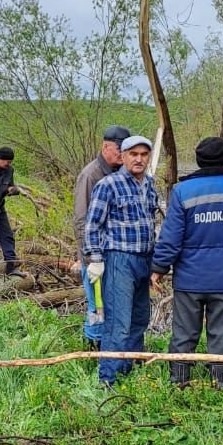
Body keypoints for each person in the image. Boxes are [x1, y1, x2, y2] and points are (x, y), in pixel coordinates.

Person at [151, 137, 223, 390]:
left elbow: (170, 238)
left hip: (190, 280)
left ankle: (179, 381)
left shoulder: (183, 192)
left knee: (184, 333)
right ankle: (222, 381)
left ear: (199, 161)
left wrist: (159, 268)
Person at [84, 135, 157, 386]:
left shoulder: (149, 184)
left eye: (143, 155)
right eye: (133, 154)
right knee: (118, 323)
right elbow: (93, 224)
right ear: (123, 156)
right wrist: (95, 258)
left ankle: (131, 369)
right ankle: (109, 379)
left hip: (144, 259)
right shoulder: (108, 185)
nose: (139, 159)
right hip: (119, 260)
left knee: (140, 319)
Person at [73, 124, 131, 344]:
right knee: (96, 304)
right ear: (106, 147)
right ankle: (93, 344)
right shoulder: (91, 175)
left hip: (116, 253)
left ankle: (112, 344)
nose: (122, 154)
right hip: (94, 255)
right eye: (119, 149)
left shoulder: (120, 173)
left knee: (114, 303)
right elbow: (81, 219)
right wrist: (89, 259)